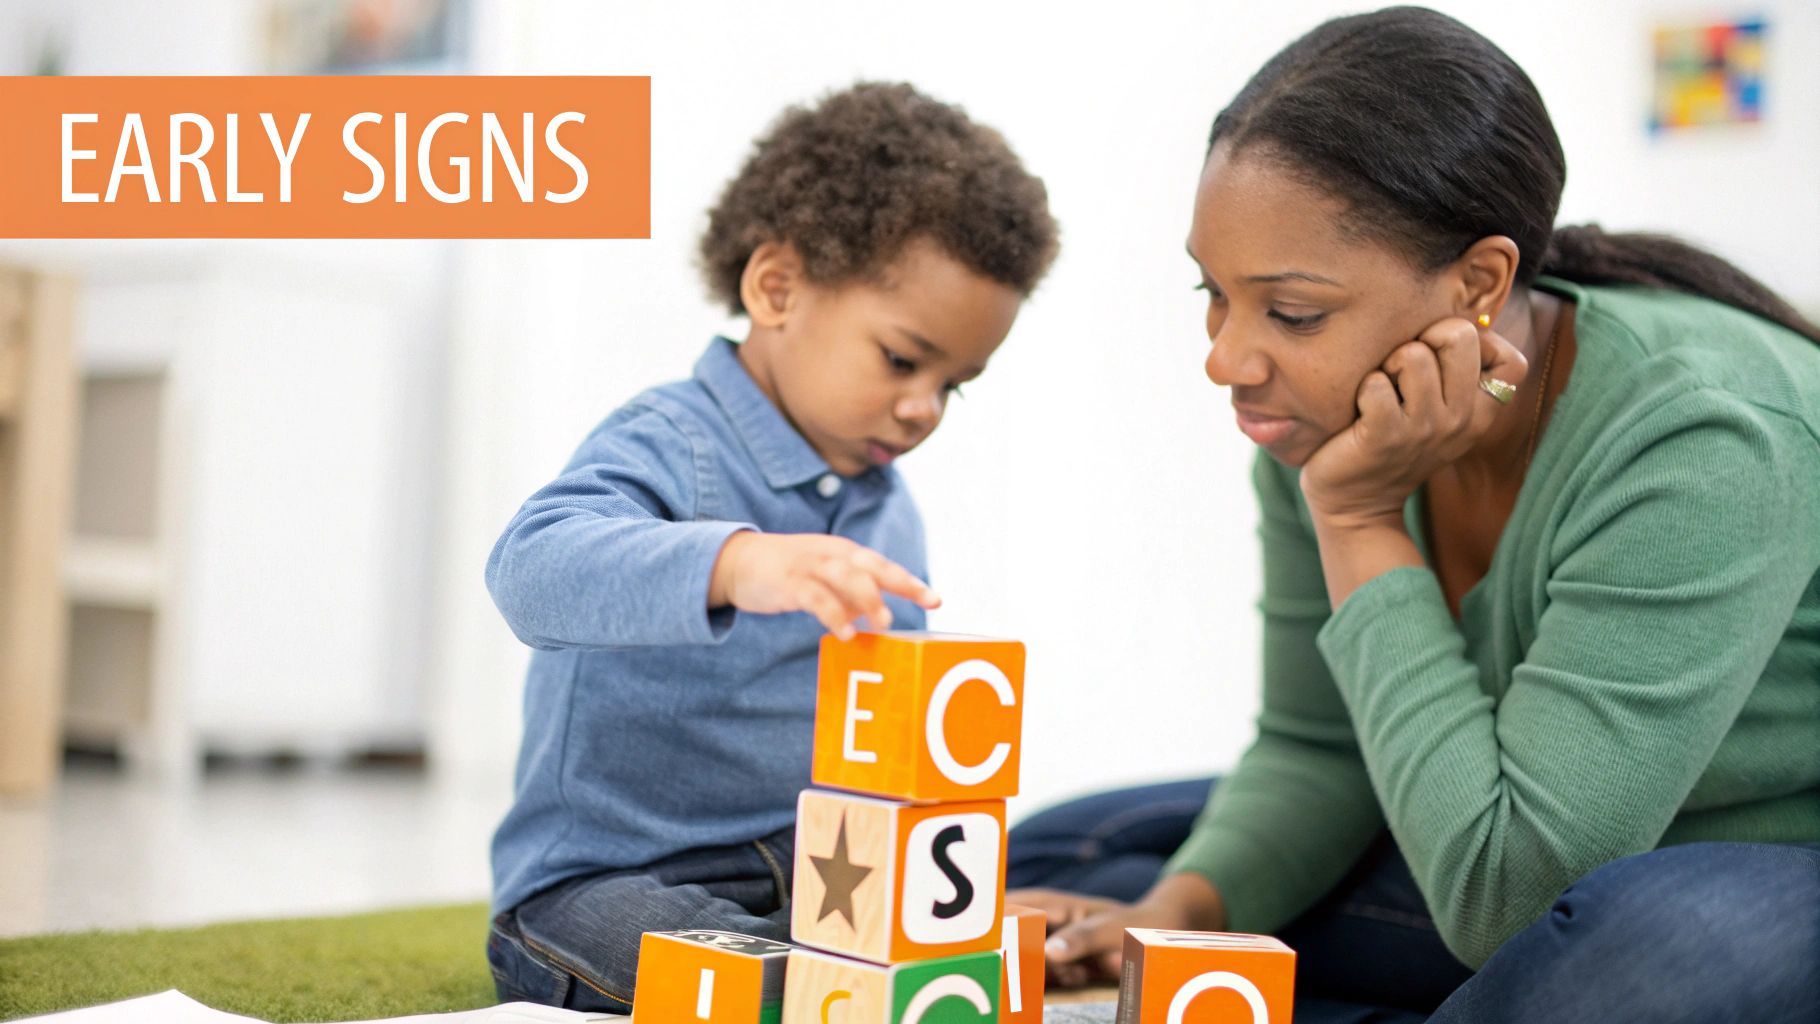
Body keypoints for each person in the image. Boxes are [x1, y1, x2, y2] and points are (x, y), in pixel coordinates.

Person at [1010, 8, 1820, 1022]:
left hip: (1737, 865)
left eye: (1292, 312)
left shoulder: (1701, 432)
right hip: (1488, 841)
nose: (1226, 359)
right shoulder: (1319, 417)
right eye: (1212, 293)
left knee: (1639, 957)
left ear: (1478, 284)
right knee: (1055, 863)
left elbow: (1509, 897)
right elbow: (1320, 746)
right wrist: (1177, 917)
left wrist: (1358, 521)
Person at [482, 81, 1058, 1013]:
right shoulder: (672, 440)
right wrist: (738, 563)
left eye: (955, 384)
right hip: (606, 881)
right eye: (903, 360)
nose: (924, 409)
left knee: (940, 969)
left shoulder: (888, 507)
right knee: (784, 986)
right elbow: (529, 569)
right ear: (777, 288)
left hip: (812, 871)